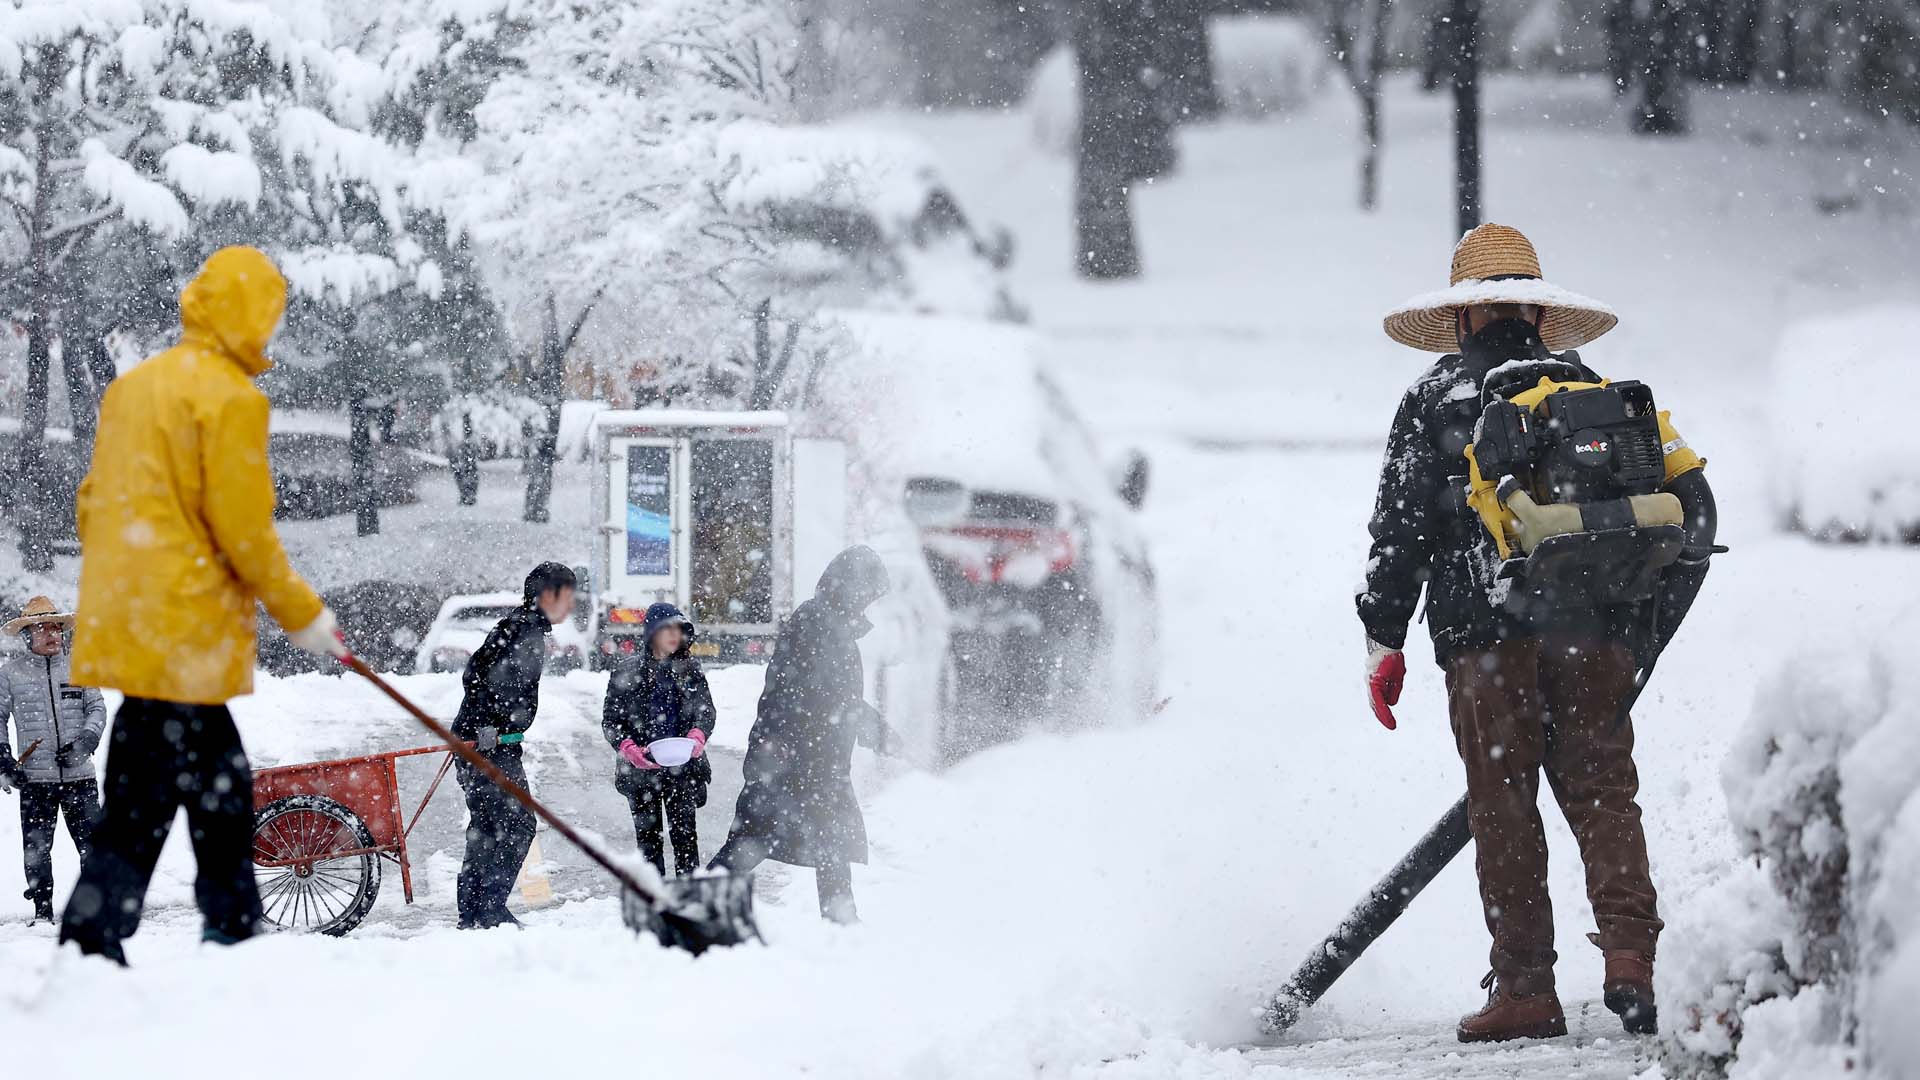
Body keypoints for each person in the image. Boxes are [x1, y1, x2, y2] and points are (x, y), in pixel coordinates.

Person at [1360, 224, 1716, 1042]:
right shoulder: (1590, 390)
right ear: (1540, 314)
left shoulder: (1437, 398)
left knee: (1504, 804)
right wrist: (1633, 636)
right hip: (1591, 627)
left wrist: (1385, 639)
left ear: (1461, 319)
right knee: (1603, 791)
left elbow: (1399, 533)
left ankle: (1524, 987)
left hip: (1484, 637)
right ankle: (1630, 957)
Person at [60, 247, 347, 964]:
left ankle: (202, 923)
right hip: (186, 626)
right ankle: (186, 931)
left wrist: (132, 579)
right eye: (269, 315)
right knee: (180, 789)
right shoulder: (229, 398)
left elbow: (91, 506)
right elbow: (244, 531)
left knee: (183, 784)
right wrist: (302, 614)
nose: (271, 329)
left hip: (131, 616)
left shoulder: (133, 390)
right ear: (250, 313)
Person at [709, 546, 896, 924]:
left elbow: (836, 697)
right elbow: (828, 695)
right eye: (867, 593)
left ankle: (842, 921)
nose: (868, 603)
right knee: (758, 838)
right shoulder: (818, 623)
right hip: (793, 758)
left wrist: (871, 729)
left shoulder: (829, 622)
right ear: (850, 587)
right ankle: (690, 900)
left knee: (828, 840)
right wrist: (876, 731)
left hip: (811, 759)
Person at [450, 561, 576, 929]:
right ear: (547, 596)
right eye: (567, 596)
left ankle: (472, 912)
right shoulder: (525, 632)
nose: (571, 605)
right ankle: (489, 910)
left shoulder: (515, 625)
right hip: (490, 747)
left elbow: (473, 674)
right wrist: (489, 727)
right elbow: (495, 684)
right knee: (518, 825)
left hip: (480, 742)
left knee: (488, 826)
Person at [0, 598, 108, 926]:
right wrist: (4, 759)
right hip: (35, 781)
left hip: (80, 778)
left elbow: (97, 708)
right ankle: (42, 911)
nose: (52, 634)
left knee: (93, 847)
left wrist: (85, 742)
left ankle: (95, 911)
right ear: (27, 636)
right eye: (42, 628)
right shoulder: (10, 674)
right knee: (36, 850)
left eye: (56, 628)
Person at [602, 603, 716, 877]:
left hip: (683, 768)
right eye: (668, 629)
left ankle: (687, 893)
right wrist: (628, 748)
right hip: (641, 772)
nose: (675, 635)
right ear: (652, 633)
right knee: (648, 842)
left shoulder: (690, 669)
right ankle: (654, 894)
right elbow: (611, 720)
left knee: (685, 839)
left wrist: (698, 735)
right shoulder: (626, 671)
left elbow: (706, 711)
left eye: (679, 629)